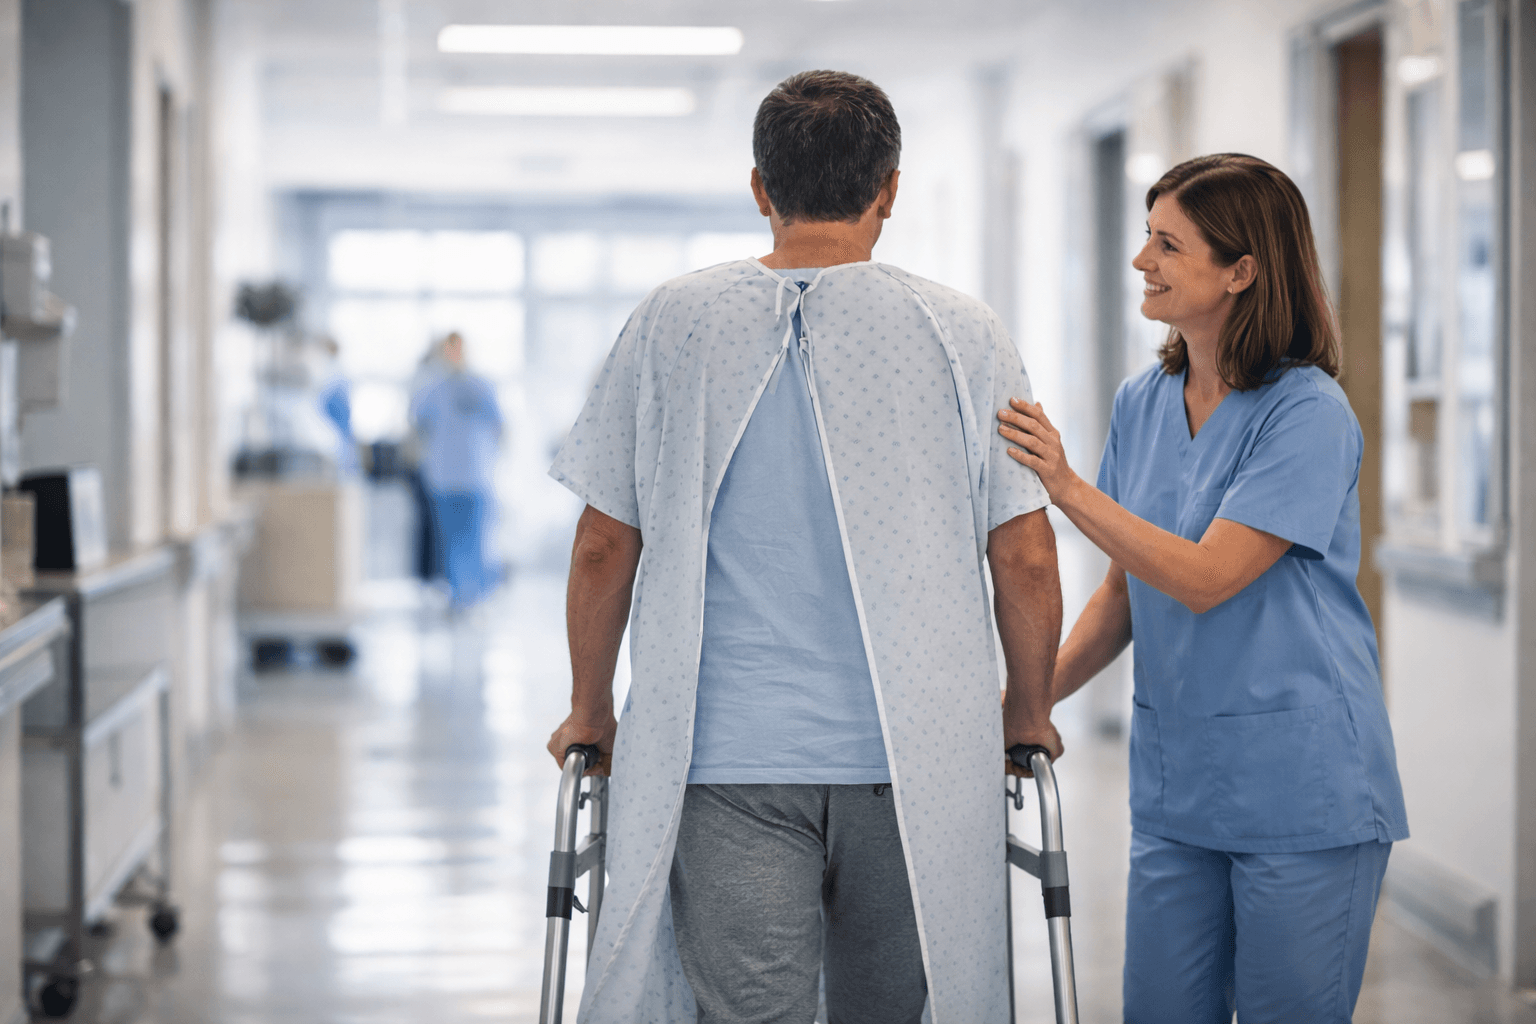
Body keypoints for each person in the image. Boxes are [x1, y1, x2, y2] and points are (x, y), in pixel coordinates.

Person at [546, 70, 1063, 1023]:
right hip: (918, 764)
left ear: (760, 187)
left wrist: (589, 709)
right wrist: (1025, 712)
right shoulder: (963, 331)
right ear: (891, 189)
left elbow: (601, 545)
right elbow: (1024, 553)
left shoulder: (675, 321)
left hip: (728, 759)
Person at [996, 153, 1408, 1023]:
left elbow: (1209, 578)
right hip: (1181, 793)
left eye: (1168, 243)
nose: (1143, 259)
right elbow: (1123, 594)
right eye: (1147, 237)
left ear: (1242, 271)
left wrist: (1068, 487)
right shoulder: (1145, 402)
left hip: (1303, 791)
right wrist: (1024, 701)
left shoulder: (1307, 412)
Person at [410, 332, 503, 608]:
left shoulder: (482, 386)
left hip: (476, 476)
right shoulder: (431, 390)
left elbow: (500, 427)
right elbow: (418, 428)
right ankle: (458, 596)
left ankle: (474, 596)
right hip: (443, 478)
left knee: (476, 541)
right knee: (450, 543)